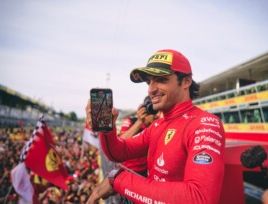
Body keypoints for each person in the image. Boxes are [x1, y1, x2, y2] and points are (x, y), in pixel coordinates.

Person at [86, 49, 226, 203]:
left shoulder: (205, 124)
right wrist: (107, 128)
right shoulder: (158, 125)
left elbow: (199, 198)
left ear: (186, 81)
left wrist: (118, 180)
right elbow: (118, 152)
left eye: (161, 80)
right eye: (149, 82)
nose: (151, 89)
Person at [118, 96, 160, 204]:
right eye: (153, 112)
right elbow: (119, 143)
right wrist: (139, 122)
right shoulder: (131, 121)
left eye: (158, 112)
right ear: (144, 112)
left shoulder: (156, 125)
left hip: (145, 176)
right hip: (128, 174)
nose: (157, 115)